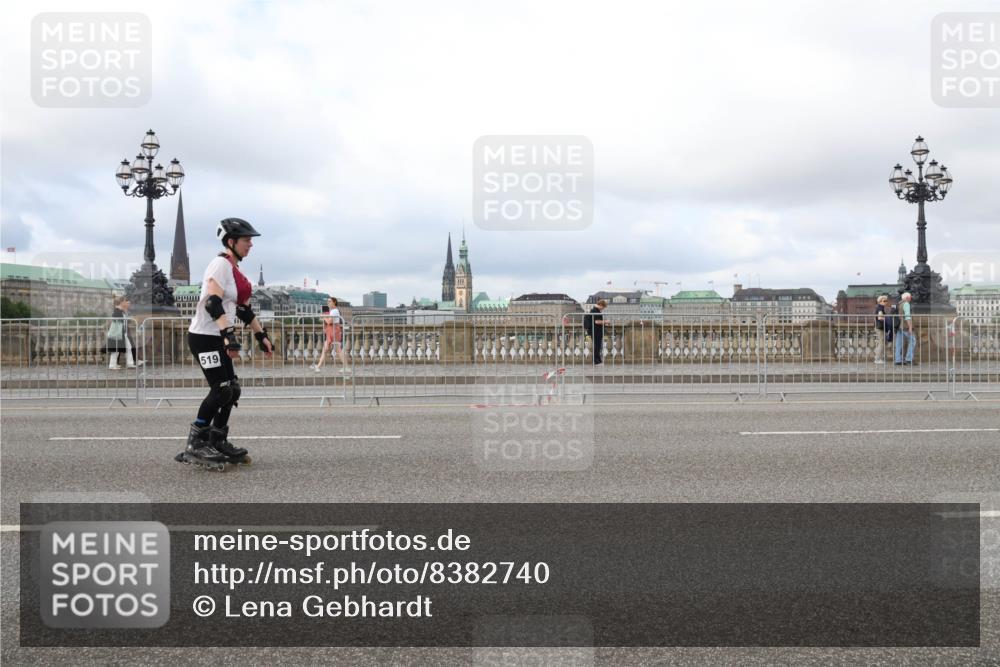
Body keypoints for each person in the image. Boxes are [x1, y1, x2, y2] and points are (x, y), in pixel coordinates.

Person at [175, 218, 274, 470]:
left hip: (218, 337)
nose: (250, 244)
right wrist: (229, 335)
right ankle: (196, 442)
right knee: (220, 389)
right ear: (231, 242)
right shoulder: (219, 264)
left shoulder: (234, 270)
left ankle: (217, 440)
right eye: (246, 240)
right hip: (204, 337)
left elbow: (242, 309)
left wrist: (261, 335)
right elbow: (212, 303)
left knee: (232, 389)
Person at [312, 297, 350, 373]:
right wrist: (325, 318)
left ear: (334, 302)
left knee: (337, 350)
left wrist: (324, 317)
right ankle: (318, 366)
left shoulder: (334, 311)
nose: (328, 303)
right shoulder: (333, 311)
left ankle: (347, 368)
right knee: (325, 349)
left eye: (330, 301)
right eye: (328, 301)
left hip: (334, 332)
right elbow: (329, 321)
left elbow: (329, 321)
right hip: (332, 332)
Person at [106, 296, 140, 369]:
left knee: (128, 347)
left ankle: (130, 363)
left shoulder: (121, 311)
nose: (126, 302)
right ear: (121, 302)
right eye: (124, 301)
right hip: (118, 334)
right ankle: (112, 365)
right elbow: (116, 319)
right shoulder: (117, 310)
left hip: (122, 333)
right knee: (116, 349)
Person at [894, 291, 915, 366]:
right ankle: (909, 359)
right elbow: (907, 316)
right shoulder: (906, 304)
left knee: (898, 343)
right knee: (913, 341)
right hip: (905, 326)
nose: (911, 299)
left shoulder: (899, 304)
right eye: (910, 297)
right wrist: (910, 327)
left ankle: (898, 360)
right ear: (907, 298)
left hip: (899, 326)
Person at [583, 299, 608, 365]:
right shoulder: (595, 311)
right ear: (600, 305)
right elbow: (597, 321)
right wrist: (605, 322)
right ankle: (596, 361)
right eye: (603, 307)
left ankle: (598, 360)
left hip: (594, 330)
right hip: (596, 331)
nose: (603, 308)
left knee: (597, 346)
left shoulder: (593, 310)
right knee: (597, 346)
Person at [872, 295, 892, 364]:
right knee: (881, 343)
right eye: (884, 301)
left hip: (879, 327)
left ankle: (878, 358)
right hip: (880, 327)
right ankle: (878, 359)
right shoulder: (880, 308)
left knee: (882, 343)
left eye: (886, 301)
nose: (886, 302)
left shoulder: (880, 307)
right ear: (880, 301)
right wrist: (887, 318)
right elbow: (880, 318)